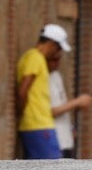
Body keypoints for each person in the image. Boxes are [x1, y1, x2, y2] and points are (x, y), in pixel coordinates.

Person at [16, 24, 74, 160]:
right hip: (38, 124)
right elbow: (23, 91)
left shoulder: (36, 58)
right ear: (52, 44)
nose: (58, 53)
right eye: (59, 48)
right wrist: (23, 114)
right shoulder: (35, 57)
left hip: (41, 124)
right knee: (51, 169)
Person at [47, 51, 92, 159]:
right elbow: (51, 111)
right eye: (54, 60)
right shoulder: (43, 78)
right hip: (53, 139)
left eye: (59, 59)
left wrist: (70, 127)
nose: (57, 63)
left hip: (65, 140)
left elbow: (61, 103)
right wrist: (78, 102)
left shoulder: (56, 75)